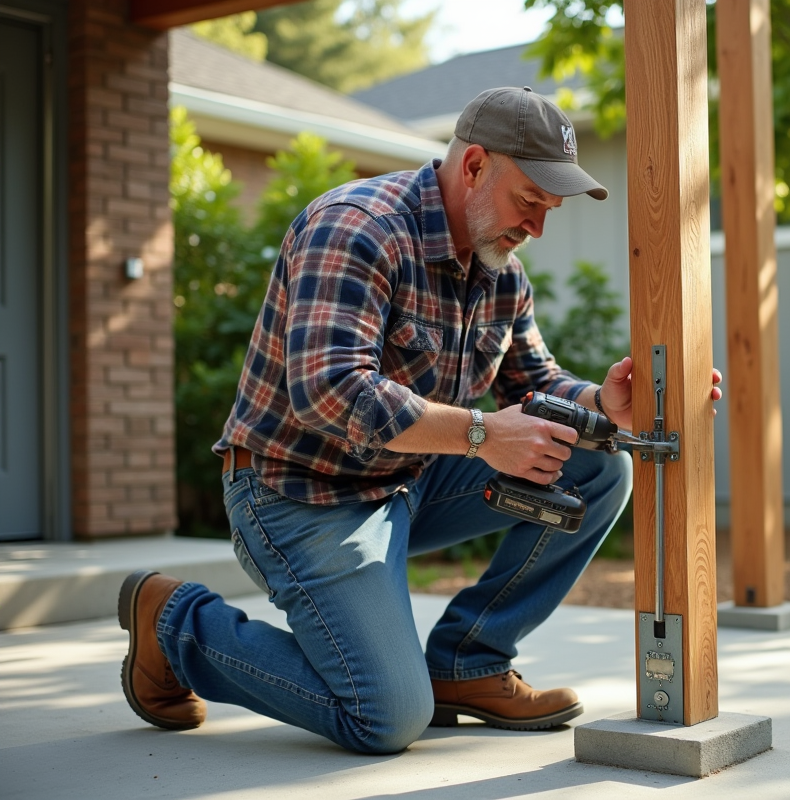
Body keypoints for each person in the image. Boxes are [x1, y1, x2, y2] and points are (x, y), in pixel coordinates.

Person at [117, 86, 722, 755]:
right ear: (473, 166)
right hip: (299, 495)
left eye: (550, 209)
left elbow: (537, 384)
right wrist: (484, 434)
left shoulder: (501, 272)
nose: (538, 227)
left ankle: (469, 662)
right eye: (530, 201)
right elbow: (330, 390)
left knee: (596, 463)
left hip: (409, 481)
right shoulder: (356, 228)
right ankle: (174, 624)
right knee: (387, 717)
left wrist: (602, 406)